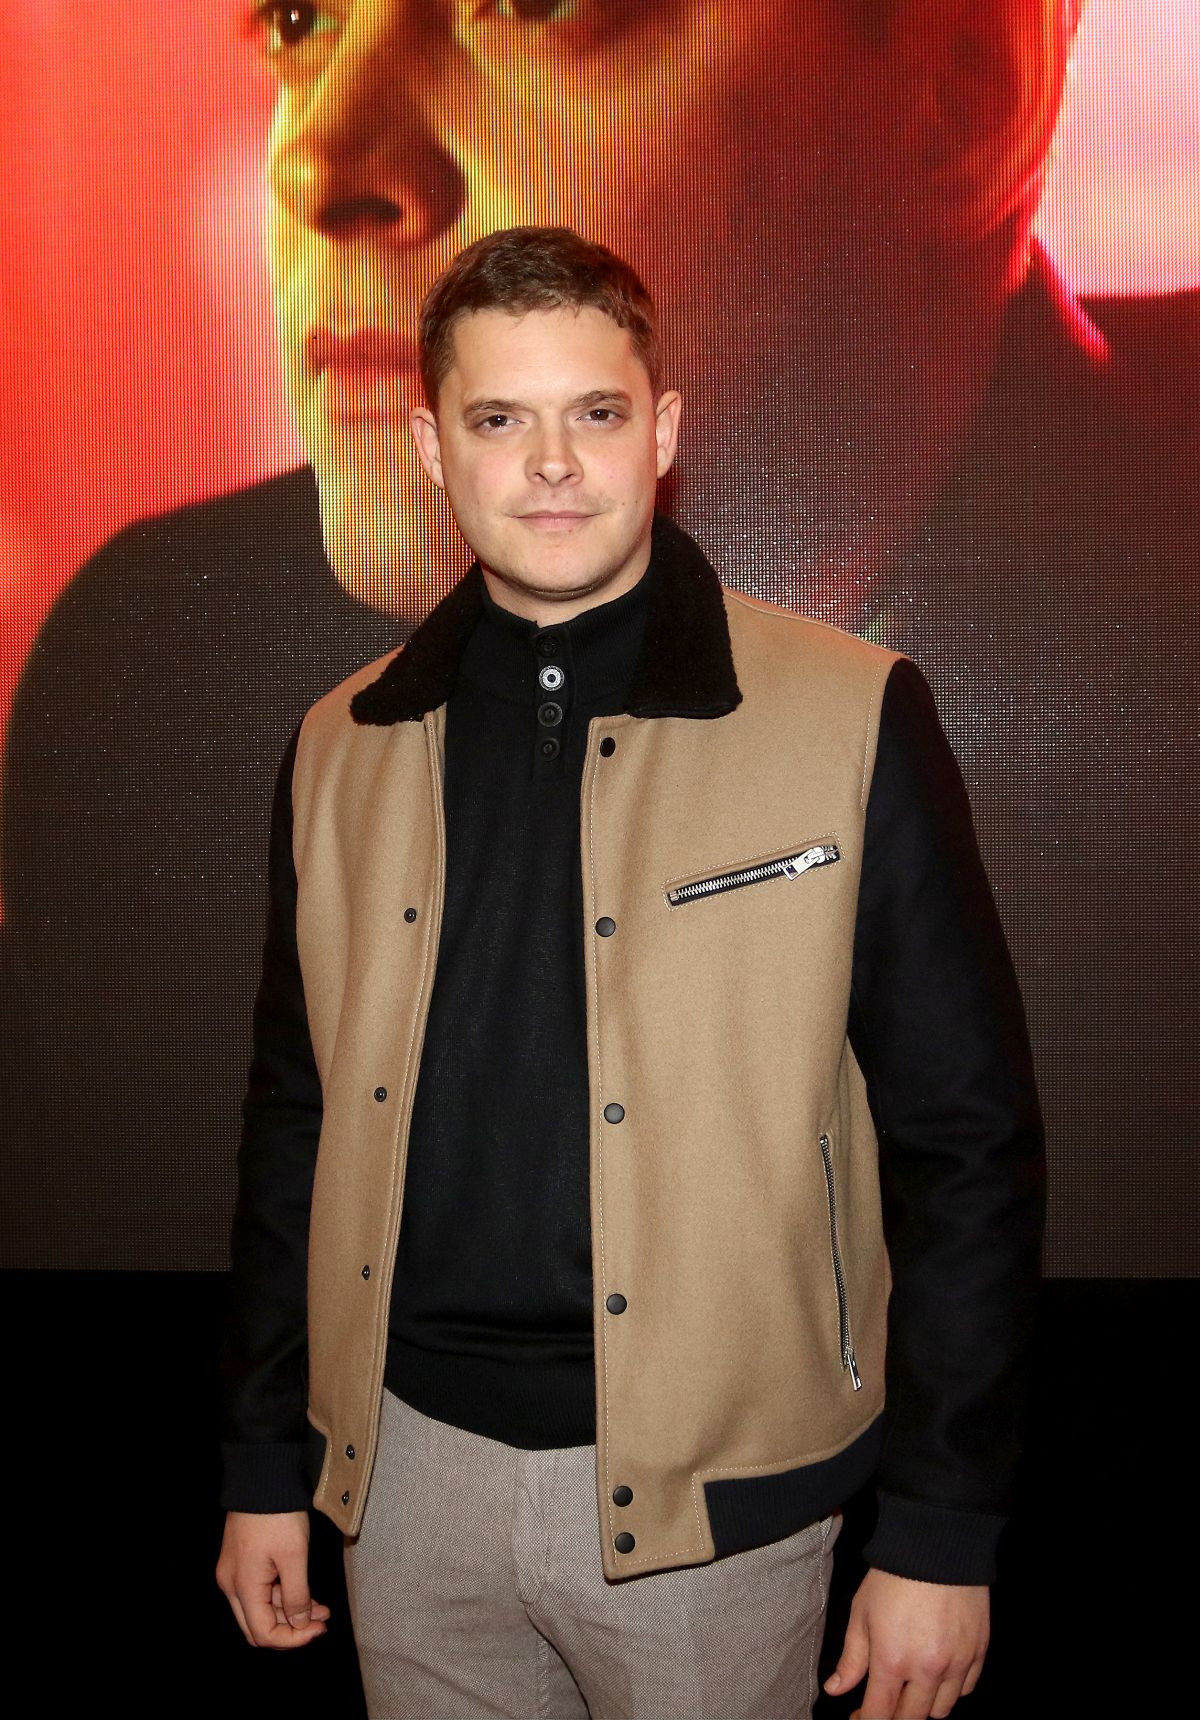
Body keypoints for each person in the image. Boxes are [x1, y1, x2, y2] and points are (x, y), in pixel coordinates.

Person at [1, 0, 1194, 1276]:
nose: (318, 163)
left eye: (535, 7)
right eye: (300, 19)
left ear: (965, 90)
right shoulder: (158, 676)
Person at [216, 225, 1044, 1720]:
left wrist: (942, 1525)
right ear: (431, 448)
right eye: (498, 418)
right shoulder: (339, 747)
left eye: (594, 412)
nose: (550, 463)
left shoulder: (852, 714)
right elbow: (295, 1126)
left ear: (661, 433)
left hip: (720, 1509)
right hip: (402, 1484)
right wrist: (268, 1458)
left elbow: (967, 1143)